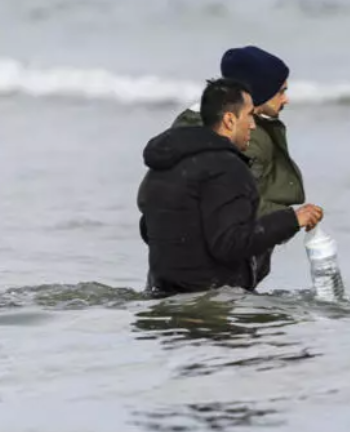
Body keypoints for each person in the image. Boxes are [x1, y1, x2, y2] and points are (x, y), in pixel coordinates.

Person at [138, 77, 324, 296]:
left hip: (161, 295)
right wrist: (292, 219)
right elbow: (231, 243)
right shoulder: (227, 167)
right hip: (210, 304)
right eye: (249, 116)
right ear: (229, 120)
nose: (253, 125)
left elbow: (147, 229)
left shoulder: (163, 165)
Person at [172, 45, 306, 284]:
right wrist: (290, 220)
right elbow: (236, 207)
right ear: (257, 92)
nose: (286, 99)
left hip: (179, 264)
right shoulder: (246, 137)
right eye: (280, 91)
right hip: (223, 271)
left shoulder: (192, 123)